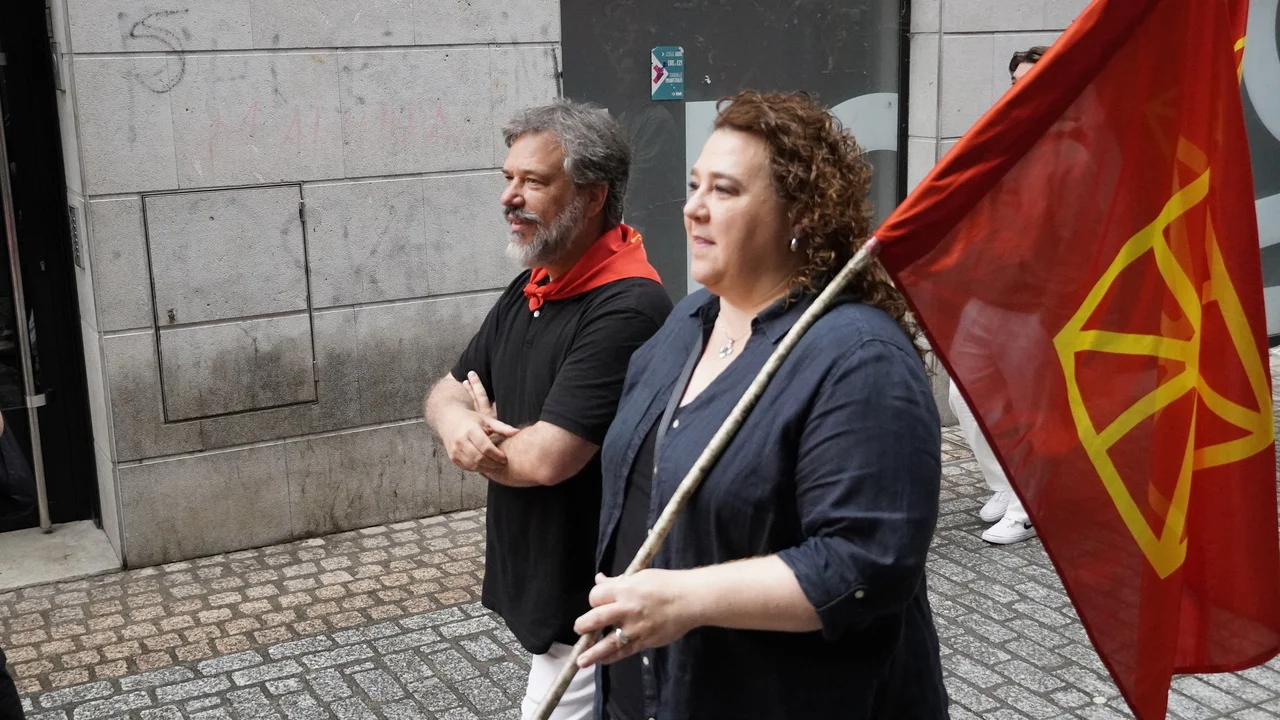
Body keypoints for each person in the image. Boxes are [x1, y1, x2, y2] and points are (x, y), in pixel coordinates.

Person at [573, 90, 947, 719]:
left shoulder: (859, 358)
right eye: (694, 186)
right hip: (654, 694)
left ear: (800, 213)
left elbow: (866, 563)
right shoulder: (688, 321)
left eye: (724, 190)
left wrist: (683, 600)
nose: (694, 208)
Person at [423, 100, 672, 720]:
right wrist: (460, 424)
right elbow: (445, 391)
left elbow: (547, 459)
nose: (509, 198)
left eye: (533, 181)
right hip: (547, 587)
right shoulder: (533, 286)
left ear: (592, 196)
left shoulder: (626, 307)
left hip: (595, 600)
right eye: (508, 178)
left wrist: (484, 446)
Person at [948, 45, 1051, 546]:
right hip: (987, 294)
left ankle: (1028, 508)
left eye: (1030, 81)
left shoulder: (1067, 147)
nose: (1018, 91)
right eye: (1014, 82)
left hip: (1033, 305)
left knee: (1026, 408)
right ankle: (1006, 485)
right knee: (964, 395)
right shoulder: (1001, 137)